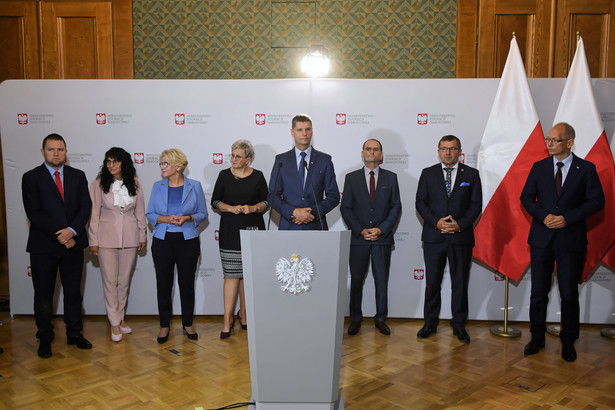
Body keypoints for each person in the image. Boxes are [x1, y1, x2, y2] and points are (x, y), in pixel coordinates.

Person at [520, 122, 604, 362]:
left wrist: (567, 218)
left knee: (568, 294)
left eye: (555, 140)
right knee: (538, 293)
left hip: (571, 240)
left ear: (569, 142)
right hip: (541, 239)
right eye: (548, 139)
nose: (549, 144)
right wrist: (543, 215)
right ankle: (537, 337)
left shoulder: (586, 169)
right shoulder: (539, 167)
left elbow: (597, 201)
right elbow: (526, 197)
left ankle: (569, 341)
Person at [22, 133, 93, 358]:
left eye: (60, 149)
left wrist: (72, 231)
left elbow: (85, 207)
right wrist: (61, 235)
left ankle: (74, 334)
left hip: (73, 245)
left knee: (73, 293)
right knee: (43, 295)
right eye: (51, 149)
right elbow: (34, 212)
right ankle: (45, 336)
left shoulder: (78, 175)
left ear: (65, 152)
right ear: (43, 151)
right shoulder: (31, 177)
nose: (56, 153)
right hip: (43, 247)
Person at [415, 135, 482, 343]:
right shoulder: (428, 173)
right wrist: (437, 222)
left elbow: (476, 205)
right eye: (444, 148)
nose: (448, 152)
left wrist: (459, 224)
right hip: (434, 237)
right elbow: (420, 203)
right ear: (438, 151)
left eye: (452, 149)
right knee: (433, 283)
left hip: (461, 238)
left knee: (460, 282)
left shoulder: (471, 174)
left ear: (460, 152)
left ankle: (459, 324)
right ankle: (430, 322)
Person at [146, 148, 208, 344]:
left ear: (178, 166)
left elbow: (202, 214)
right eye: (161, 163)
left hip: (187, 241)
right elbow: (150, 214)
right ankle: (164, 325)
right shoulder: (157, 186)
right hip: (162, 240)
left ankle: (187, 323)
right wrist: (165, 219)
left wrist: (187, 218)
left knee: (186, 284)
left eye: (165, 163)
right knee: (163, 285)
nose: (162, 167)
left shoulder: (194, 186)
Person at [341, 139, 402, 336]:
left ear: (381, 155)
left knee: (381, 280)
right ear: (362, 153)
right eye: (368, 149)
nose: (372, 152)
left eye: (376, 150)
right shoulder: (351, 178)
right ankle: (355, 319)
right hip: (358, 240)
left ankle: (380, 318)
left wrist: (382, 229)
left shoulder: (391, 178)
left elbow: (396, 207)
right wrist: (360, 230)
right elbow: (346, 208)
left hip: (381, 239)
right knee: (357, 280)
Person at [211, 140, 269, 339]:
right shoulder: (224, 175)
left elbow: (266, 201)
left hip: (253, 229)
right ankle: (227, 320)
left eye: (238, 156)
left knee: (248, 275)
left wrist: (253, 208)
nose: (233, 159)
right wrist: (231, 208)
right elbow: (215, 201)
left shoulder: (258, 176)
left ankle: (244, 315)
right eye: (232, 155)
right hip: (230, 230)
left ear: (248, 159)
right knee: (231, 275)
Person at [88, 147, 147, 342]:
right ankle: (114, 322)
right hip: (105, 239)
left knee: (123, 282)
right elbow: (93, 214)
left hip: (130, 239)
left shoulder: (135, 183)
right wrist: (93, 240)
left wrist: (142, 236)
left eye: (115, 161)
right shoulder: (98, 184)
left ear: (124, 163)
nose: (111, 165)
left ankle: (121, 318)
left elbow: (139, 213)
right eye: (108, 161)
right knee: (109, 281)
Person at [268, 114, 340, 230]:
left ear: (312, 131)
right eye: (300, 130)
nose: (304, 134)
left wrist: (311, 214)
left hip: (316, 227)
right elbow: (273, 196)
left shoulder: (324, 160)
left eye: (308, 129)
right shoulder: (281, 160)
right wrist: (293, 212)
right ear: (292, 132)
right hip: (289, 227)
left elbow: (334, 196)